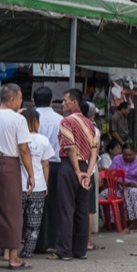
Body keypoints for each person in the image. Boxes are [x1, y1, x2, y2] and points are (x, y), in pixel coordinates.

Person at [0, 83, 35, 270]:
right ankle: (13, 257)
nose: (21, 101)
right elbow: (24, 149)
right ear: (12, 99)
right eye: (20, 98)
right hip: (9, 165)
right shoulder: (18, 120)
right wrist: (31, 174)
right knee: (12, 210)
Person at [51, 89, 99, 260]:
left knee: (66, 209)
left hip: (69, 167)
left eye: (65, 101)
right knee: (82, 209)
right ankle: (80, 250)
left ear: (74, 103)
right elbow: (94, 151)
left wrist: (77, 172)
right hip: (86, 166)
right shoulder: (90, 125)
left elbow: (71, 149)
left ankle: (64, 250)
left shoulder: (67, 122)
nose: (63, 103)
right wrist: (87, 172)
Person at [32, 87, 63, 254]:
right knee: (53, 205)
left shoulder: (28, 118)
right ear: (51, 101)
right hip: (55, 164)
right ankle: (51, 241)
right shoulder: (60, 120)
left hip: (33, 165)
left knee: (34, 205)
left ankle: (35, 240)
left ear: (34, 100)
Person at [19, 108, 51, 258]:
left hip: (19, 184)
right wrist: (46, 183)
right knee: (34, 222)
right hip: (38, 185)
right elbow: (46, 164)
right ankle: (27, 251)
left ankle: (10, 250)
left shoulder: (17, 138)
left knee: (17, 219)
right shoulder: (43, 140)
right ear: (37, 122)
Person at [109, 143, 137, 230]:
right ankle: (112, 221)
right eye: (125, 155)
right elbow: (111, 174)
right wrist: (123, 183)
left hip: (135, 187)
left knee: (131, 192)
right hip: (118, 187)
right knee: (103, 195)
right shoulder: (116, 159)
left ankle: (133, 221)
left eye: (130, 155)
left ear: (135, 153)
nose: (128, 157)